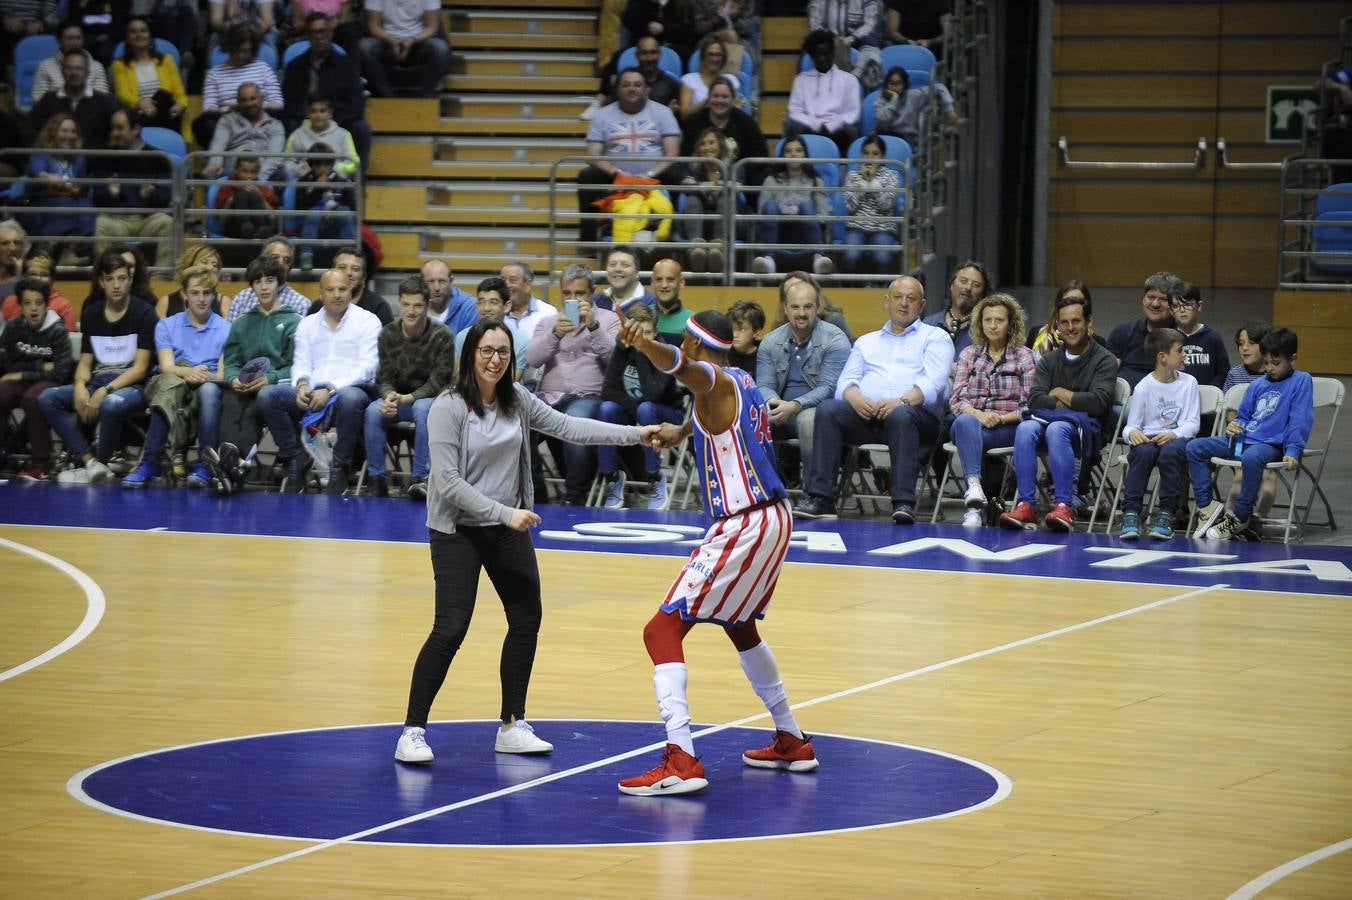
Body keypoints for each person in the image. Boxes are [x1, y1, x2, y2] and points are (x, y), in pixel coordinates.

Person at [393, 319, 661, 766]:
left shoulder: (518, 401)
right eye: (486, 351)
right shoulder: (448, 407)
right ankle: (412, 731)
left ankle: (512, 724)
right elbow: (447, 482)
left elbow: (572, 428)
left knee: (525, 617)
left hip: (506, 528)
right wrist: (505, 513)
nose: (495, 359)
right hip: (458, 529)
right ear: (469, 356)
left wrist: (637, 435)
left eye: (502, 352)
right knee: (451, 627)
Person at [613, 307, 817, 795]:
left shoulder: (711, 377)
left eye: (684, 341)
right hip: (774, 517)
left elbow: (686, 370)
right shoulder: (741, 382)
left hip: (744, 520)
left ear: (696, 343)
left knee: (660, 630)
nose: (681, 348)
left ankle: (681, 756)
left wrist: (645, 344)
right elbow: (709, 415)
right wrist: (680, 433)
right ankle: (791, 737)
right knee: (738, 623)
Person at [792, 276, 950, 523]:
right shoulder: (867, 341)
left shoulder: (935, 337)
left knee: (901, 415)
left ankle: (903, 503)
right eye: (898, 297)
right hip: (869, 416)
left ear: (922, 304)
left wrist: (901, 401)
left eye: (911, 299)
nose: (904, 304)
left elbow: (934, 383)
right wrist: (854, 397)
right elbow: (845, 382)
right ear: (887, 301)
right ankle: (820, 497)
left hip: (917, 420)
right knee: (828, 409)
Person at [998, 292, 1119, 532]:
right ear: (1057, 326)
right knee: (1025, 427)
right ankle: (1026, 505)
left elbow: (1098, 403)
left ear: (1088, 323)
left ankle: (1064, 505)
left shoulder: (1104, 359)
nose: (1070, 327)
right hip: (1049, 421)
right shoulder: (1049, 360)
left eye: (1076, 321)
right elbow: (1035, 399)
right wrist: (1074, 401)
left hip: (1086, 430)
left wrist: (1060, 392)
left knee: (1057, 428)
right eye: (1064, 322)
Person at [258, 267, 381, 494]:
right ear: (320, 293)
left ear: (351, 290)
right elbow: (301, 362)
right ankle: (295, 458)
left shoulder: (368, 321)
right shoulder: (308, 324)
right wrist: (302, 384)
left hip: (350, 391)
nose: (337, 295)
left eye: (342, 289)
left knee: (350, 398)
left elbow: (368, 367)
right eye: (331, 290)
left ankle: (340, 466)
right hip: (312, 393)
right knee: (268, 395)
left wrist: (331, 389)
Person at [39, 252, 157, 484]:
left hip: (132, 385)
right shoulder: (92, 314)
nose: (116, 285)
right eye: (110, 279)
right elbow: (85, 361)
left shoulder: (144, 313)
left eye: (122, 278)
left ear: (130, 281)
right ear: (101, 281)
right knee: (47, 399)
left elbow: (140, 368)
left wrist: (106, 390)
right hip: (96, 380)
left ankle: (101, 463)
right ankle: (91, 462)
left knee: (111, 404)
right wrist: (80, 386)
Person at [1190, 327, 1314, 542]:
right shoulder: (1257, 384)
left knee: (1251, 457)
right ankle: (1207, 506)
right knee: (1194, 447)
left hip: (1271, 445)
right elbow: (1244, 416)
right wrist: (1235, 425)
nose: (1270, 368)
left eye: (1276, 363)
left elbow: (1300, 418)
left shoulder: (1301, 380)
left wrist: (1294, 449)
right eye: (1266, 363)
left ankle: (1240, 516)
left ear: (1293, 358)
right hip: (1243, 440)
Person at [121, 265, 231, 489]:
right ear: (184, 294)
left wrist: (201, 376)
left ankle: (206, 463)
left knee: (210, 391)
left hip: (207, 380)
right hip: (174, 376)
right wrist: (188, 372)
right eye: (195, 293)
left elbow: (221, 373)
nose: (201, 299)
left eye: (207, 293)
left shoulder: (226, 327)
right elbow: (166, 366)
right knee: (169, 386)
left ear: (213, 294)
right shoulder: (166, 325)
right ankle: (150, 461)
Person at [204, 255, 301, 496]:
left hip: (272, 390)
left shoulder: (294, 321)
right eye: (258, 281)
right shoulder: (242, 323)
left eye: (269, 280)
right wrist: (234, 378)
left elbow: (297, 365)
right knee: (230, 403)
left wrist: (272, 377)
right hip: (242, 387)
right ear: (252, 287)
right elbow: (232, 361)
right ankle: (232, 466)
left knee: (255, 409)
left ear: (279, 283)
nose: (264, 286)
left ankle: (228, 467)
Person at [526, 264, 621, 504]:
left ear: (592, 293)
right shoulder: (549, 322)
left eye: (580, 294)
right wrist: (555, 335)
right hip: (548, 395)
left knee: (574, 424)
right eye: (567, 294)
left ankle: (575, 497)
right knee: (518, 420)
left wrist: (593, 327)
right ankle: (536, 493)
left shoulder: (608, 319)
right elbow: (533, 359)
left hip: (588, 396)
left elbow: (615, 359)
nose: (573, 299)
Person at [946, 293, 1035, 527]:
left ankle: (974, 511)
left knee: (971, 437)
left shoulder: (1023, 356)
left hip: (1006, 428)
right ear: (979, 323)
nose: (993, 326)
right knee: (966, 423)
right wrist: (980, 416)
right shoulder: (968, 354)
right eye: (987, 320)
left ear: (1011, 324)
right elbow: (956, 400)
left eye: (999, 320)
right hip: (972, 425)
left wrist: (1002, 418)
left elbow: (1030, 405)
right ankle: (975, 489)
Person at [365, 274, 455, 500]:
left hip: (430, 400)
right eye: (406, 304)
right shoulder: (388, 334)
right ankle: (377, 478)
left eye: (417, 305)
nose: (411, 311)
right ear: (399, 302)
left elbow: (438, 381)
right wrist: (388, 397)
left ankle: (420, 479)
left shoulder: (442, 335)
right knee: (372, 411)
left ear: (427, 305)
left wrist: (409, 398)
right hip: (399, 399)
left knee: (424, 408)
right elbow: (384, 378)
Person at [757, 276, 850, 488]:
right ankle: (758, 491)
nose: (801, 313)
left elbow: (829, 388)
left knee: (808, 420)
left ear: (817, 308)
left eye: (808, 307)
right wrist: (773, 402)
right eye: (795, 307)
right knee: (748, 416)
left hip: (820, 411)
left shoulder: (835, 339)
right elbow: (763, 385)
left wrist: (795, 405)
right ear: (785, 309)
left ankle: (814, 492)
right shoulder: (770, 341)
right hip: (780, 409)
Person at [576, 68, 684, 249]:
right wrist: (618, 173)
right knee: (586, 176)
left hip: (654, 175)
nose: (632, 89)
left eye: (637, 85)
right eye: (626, 85)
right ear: (617, 90)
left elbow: (672, 153)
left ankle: (671, 233)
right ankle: (589, 242)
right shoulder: (602, 115)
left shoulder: (663, 112)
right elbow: (593, 155)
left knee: (677, 175)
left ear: (646, 89)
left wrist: (648, 174)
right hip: (615, 176)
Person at [1114, 327, 1199, 541]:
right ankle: (1131, 513)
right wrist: (1132, 433)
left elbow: (1192, 423)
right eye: (1180, 351)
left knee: (1170, 454)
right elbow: (1130, 425)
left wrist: (1175, 434)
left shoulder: (1189, 383)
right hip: (1149, 437)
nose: (1184, 355)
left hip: (1176, 439)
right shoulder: (1144, 387)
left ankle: (1166, 514)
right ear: (1163, 357)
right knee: (1142, 453)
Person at [598, 303, 683, 509]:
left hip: (667, 415)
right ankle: (612, 477)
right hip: (636, 412)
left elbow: (655, 393)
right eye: (636, 332)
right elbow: (608, 391)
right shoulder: (622, 349)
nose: (641, 338)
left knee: (647, 408)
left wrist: (641, 350)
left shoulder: (666, 353)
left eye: (646, 333)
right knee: (606, 409)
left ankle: (654, 477)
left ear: (656, 332)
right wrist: (634, 411)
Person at [0, 278, 74, 481]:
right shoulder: (13, 328)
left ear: (46, 304)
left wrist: (25, 372)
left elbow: (61, 372)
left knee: (33, 398)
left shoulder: (57, 331)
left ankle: (41, 463)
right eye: (27, 303)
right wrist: (41, 366)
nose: (33, 309)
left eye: (39, 303)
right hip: (24, 380)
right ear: (20, 305)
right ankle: (4, 452)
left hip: (52, 384)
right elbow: (8, 365)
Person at [281, 13, 370, 168]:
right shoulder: (295, 67)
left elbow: (355, 103)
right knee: (287, 125)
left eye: (324, 31)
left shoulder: (345, 65)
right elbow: (289, 102)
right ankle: (293, 179)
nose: (319, 37)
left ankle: (357, 185)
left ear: (331, 33)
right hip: (304, 122)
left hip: (338, 121)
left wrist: (331, 121)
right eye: (315, 32)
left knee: (361, 129)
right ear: (307, 35)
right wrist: (309, 119)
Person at [91, 108, 174, 265]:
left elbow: (165, 198)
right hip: (118, 220)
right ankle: (104, 277)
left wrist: (151, 196)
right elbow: (96, 197)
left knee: (168, 223)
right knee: (101, 224)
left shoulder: (158, 158)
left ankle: (162, 279)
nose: (115, 133)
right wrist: (111, 194)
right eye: (113, 128)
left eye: (120, 128)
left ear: (136, 129)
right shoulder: (105, 157)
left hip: (148, 218)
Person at [752, 134, 832, 276]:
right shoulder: (771, 180)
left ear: (805, 154)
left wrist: (798, 213)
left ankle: (819, 258)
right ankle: (769, 259)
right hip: (777, 233)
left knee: (807, 206)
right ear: (782, 155)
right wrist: (783, 213)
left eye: (798, 150)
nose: (793, 154)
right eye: (788, 151)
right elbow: (761, 213)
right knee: (770, 206)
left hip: (805, 234)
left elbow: (824, 214)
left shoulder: (816, 181)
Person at [21, 114, 93, 268]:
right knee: (65, 205)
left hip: (73, 199)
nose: (69, 135)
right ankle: (45, 250)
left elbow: (81, 185)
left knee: (86, 208)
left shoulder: (79, 158)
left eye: (73, 131)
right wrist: (47, 176)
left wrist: (70, 188)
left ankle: (70, 252)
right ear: (53, 132)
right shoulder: (42, 153)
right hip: (43, 200)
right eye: (64, 131)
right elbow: (36, 171)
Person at [195, 24, 283, 150]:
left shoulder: (263, 68)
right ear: (229, 47)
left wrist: (254, 105)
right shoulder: (214, 74)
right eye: (238, 50)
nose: (242, 55)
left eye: (246, 51)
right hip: (229, 120)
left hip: (260, 117)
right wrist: (228, 109)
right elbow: (208, 108)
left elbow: (278, 103)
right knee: (201, 123)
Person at [678, 78, 769, 188]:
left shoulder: (747, 122)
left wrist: (739, 172)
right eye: (715, 96)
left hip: (738, 180)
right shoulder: (694, 122)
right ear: (708, 98)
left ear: (732, 99)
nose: (719, 101)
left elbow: (761, 154)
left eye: (725, 97)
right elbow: (686, 155)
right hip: (701, 178)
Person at [109, 15, 189, 137]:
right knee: (162, 98)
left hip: (167, 111)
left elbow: (180, 93)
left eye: (143, 31)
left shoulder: (166, 60)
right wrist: (140, 103)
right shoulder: (120, 65)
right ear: (127, 38)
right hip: (140, 113)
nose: (138, 35)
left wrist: (180, 105)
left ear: (150, 36)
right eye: (133, 32)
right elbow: (122, 94)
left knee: (163, 96)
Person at [786, 30, 861, 154]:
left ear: (832, 52)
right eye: (817, 55)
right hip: (809, 126)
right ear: (811, 56)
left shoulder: (849, 80)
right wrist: (815, 124)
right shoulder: (801, 80)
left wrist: (832, 125)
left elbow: (852, 113)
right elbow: (794, 111)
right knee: (794, 130)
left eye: (825, 53)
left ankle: (844, 170)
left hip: (838, 129)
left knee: (849, 132)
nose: (822, 58)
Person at [27, 50, 120, 149]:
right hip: (54, 159)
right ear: (62, 72)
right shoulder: (48, 100)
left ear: (87, 73)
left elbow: (116, 133)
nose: (74, 73)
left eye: (79, 68)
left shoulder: (105, 102)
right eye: (69, 68)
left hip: (94, 161)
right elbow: (31, 130)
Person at [359, 0, 451, 98]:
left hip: (418, 43)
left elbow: (432, 27)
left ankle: (426, 97)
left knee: (440, 48)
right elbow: (373, 26)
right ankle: (386, 96)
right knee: (364, 46)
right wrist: (391, 41)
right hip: (386, 42)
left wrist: (411, 41)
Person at [841, 132, 901, 275]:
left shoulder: (892, 176)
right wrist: (863, 183)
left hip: (883, 229)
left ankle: (879, 288)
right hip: (856, 228)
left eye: (875, 154)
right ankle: (851, 288)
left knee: (882, 258)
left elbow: (886, 205)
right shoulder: (852, 176)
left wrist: (873, 182)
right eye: (866, 153)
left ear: (883, 157)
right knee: (851, 256)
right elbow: (850, 207)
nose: (870, 158)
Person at [202, 82, 286, 180]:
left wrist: (257, 178)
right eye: (244, 100)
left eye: (253, 98)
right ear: (238, 102)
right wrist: (215, 164)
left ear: (261, 99)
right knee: (211, 169)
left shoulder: (275, 125)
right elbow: (218, 146)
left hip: (263, 173)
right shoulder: (227, 120)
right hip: (232, 172)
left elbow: (274, 157)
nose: (249, 103)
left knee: (284, 174)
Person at [1107, 271, 1177, 389]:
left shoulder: (1181, 337)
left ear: (1175, 304)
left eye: (1163, 299)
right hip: (1124, 403)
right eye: (1151, 297)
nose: (1155, 304)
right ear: (1143, 300)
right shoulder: (1122, 332)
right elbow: (1106, 372)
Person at [678, 126, 732, 272]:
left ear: (720, 145)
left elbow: (737, 186)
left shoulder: (732, 166)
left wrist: (701, 185)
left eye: (711, 142)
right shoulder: (691, 167)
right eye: (702, 144)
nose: (707, 147)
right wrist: (715, 185)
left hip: (727, 223)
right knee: (693, 198)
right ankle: (697, 249)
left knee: (725, 197)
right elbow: (686, 185)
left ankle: (718, 249)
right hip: (696, 223)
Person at [223, 236, 311, 321]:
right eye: (275, 258)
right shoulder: (242, 298)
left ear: (290, 267)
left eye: (286, 260)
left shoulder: (301, 303)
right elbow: (231, 334)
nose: (280, 263)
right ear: (263, 260)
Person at [873, 66, 957, 150]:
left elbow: (939, 87)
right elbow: (883, 119)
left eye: (899, 83)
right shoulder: (881, 98)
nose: (894, 87)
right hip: (885, 138)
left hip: (907, 139)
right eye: (891, 83)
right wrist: (894, 100)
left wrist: (949, 109)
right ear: (886, 85)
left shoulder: (913, 96)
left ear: (905, 85)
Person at [808, 0, 885, 90]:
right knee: (831, 48)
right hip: (829, 40)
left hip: (858, 39)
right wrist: (831, 39)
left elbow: (870, 24)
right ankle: (842, 86)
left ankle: (855, 76)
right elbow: (815, 25)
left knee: (871, 50)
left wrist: (853, 38)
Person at [455, 276, 527, 372]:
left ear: (507, 306)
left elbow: (512, 379)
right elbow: (460, 375)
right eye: (481, 302)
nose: (486, 308)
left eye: (493, 302)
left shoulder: (521, 340)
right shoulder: (463, 337)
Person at [1167, 279, 1229, 390]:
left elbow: (1223, 373)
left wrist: (1210, 391)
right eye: (1176, 306)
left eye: (1187, 304)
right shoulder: (1168, 337)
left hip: (1207, 397)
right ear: (1171, 311)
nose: (1182, 310)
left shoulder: (1212, 337)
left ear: (1199, 306)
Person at [33, 19, 111, 105]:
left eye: (78, 38)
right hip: (54, 116)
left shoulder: (97, 67)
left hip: (89, 116)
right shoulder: (45, 66)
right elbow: (39, 102)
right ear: (59, 40)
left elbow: (102, 102)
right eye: (69, 38)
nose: (74, 43)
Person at [282, 93, 360, 180]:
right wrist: (299, 169)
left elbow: (353, 163)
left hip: (334, 182)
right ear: (308, 113)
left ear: (330, 113)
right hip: (304, 181)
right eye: (313, 111)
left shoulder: (344, 135)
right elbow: (287, 162)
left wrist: (332, 169)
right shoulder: (297, 134)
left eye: (322, 111)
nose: (318, 115)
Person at [1, 244, 78, 330]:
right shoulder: (10, 302)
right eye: (32, 274)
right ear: (23, 277)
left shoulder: (64, 306)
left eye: (44, 275)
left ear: (52, 279)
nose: (38, 279)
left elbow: (68, 340)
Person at [923, 259, 988, 355]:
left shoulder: (986, 330)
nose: (968, 288)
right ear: (951, 286)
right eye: (963, 281)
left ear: (983, 295)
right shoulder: (929, 324)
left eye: (976, 285)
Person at [316, 246, 393, 326]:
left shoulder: (379, 307)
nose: (348, 273)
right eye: (342, 267)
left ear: (364, 277)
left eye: (355, 269)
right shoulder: (318, 306)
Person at [214, 154, 280, 241]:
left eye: (253, 172)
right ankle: (246, 227)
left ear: (258, 172)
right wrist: (231, 200)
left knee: (255, 196)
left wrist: (260, 196)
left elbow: (273, 215)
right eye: (244, 171)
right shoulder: (228, 186)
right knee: (241, 196)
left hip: (260, 229)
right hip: (235, 228)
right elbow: (221, 219)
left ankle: (259, 231)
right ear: (236, 170)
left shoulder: (262, 187)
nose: (248, 176)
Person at [679, 34, 739, 119]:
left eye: (718, 55)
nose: (714, 59)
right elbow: (684, 115)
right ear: (703, 57)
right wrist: (708, 101)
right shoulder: (689, 80)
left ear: (723, 58)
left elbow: (737, 108)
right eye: (711, 54)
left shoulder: (731, 80)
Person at [622, 0, 698, 64]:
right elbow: (628, 22)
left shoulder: (682, 3)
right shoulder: (640, 2)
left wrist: (664, 28)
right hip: (642, 45)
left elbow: (689, 30)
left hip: (674, 47)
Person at [1029, 280, 1089, 361]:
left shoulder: (1097, 342)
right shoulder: (1036, 332)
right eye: (1067, 301)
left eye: (1079, 302)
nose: (1072, 307)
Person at [421, 258, 479, 332]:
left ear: (451, 281)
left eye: (442, 281)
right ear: (421, 282)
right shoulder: (413, 305)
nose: (437, 288)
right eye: (430, 282)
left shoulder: (469, 307)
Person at [650, 257, 694, 344]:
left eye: (670, 280)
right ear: (652, 283)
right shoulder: (642, 318)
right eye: (659, 280)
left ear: (681, 283)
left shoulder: (693, 322)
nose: (664, 285)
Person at [726, 298, 766, 372]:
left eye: (742, 330)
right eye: (732, 329)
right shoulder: (724, 354)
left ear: (756, 331)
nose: (734, 335)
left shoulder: (765, 357)